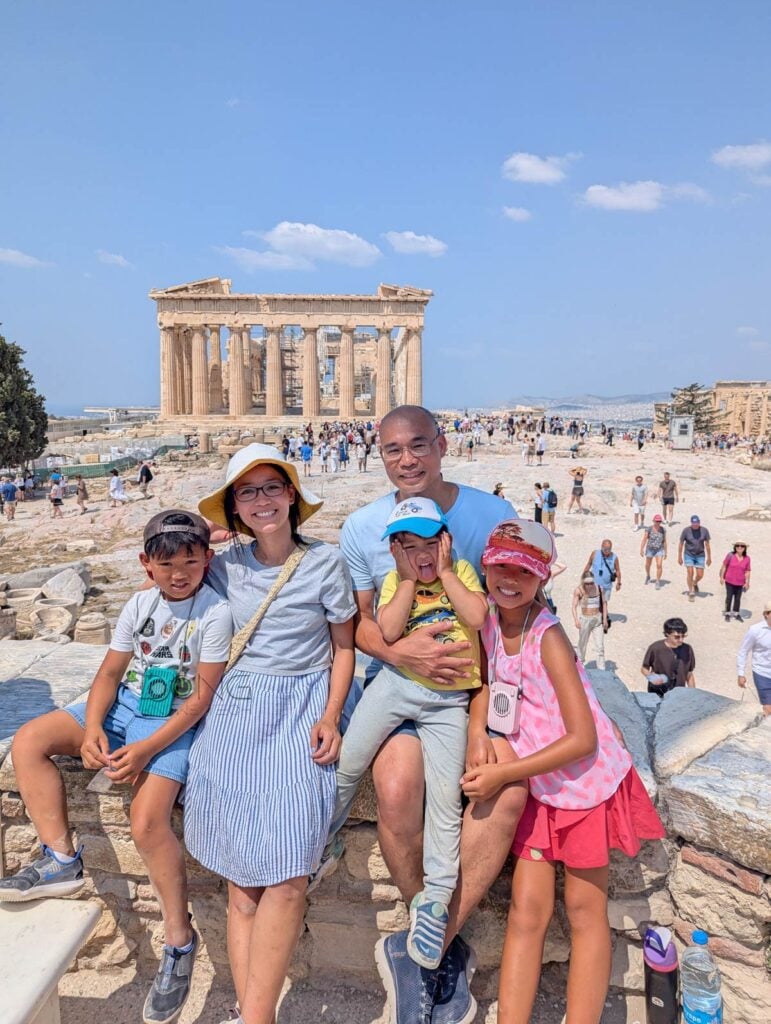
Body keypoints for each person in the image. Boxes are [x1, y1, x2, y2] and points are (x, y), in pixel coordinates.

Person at [0, 511, 232, 1023]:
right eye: (167, 563)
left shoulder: (214, 611)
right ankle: (60, 857)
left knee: (148, 822)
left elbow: (201, 699)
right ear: (145, 564)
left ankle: (178, 941)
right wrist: (91, 729)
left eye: (191, 561)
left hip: (172, 717)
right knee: (30, 740)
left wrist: (147, 750)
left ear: (206, 560)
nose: (180, 573)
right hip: (129, 703)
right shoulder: (138, 603)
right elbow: (109, 672)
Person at [338, 405, 524, 1024]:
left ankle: (431, 946)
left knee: (498, 793)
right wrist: (402, 650)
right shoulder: (364, 527)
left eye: (419, 445)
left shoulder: (493, 516)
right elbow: (360, 628)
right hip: (397, 680)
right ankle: (427, 941)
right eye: (394, 450)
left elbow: (511, 621)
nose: (407, 459)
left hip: (473, 691)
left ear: (442, 444)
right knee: (394, 788)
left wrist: (480, 717)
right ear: (380, 455)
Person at [463, 519, 664, 1024]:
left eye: (523, 572)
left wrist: (506, 775)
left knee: (583, 911)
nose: (510, 579)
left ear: (542, 579)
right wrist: (476, 733)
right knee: (527, 913)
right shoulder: (488, 618)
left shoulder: (548, 635)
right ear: (486, 567)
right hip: (538, 784)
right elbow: (485, 684)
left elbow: (582, 739)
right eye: (500, 567)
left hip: (581, 787)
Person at [186, 444, 356, 1024]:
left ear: (292, 496)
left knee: (286, 875)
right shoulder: (225, 567)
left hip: (300, 709)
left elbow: (343, 647)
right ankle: (251, 1012)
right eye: (247, 492)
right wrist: (207, 531)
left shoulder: (326, 563)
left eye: (271, 487)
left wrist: (332, 714)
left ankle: (255, 1018)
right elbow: (170, 567)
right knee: (240, 884)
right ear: (234, 507)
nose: (262, 500)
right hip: (236, 715)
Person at [330, 498, 488, 968]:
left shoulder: (459, 571)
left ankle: (435, 900)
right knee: (349, 761)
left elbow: (477, 617)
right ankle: (320, 838)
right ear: (395, 551)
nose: (421, 556)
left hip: (449, 701)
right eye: (408, 547)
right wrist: (402, 579)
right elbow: (391, 631)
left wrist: (444, 574)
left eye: (429, 545)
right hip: (398, 687)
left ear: (445, 542)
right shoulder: (397, 581)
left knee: (444, 799)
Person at [641, 618, 696, 696]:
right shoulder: (655, 648)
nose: (681, 640)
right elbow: (644, 668)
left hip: (678, 695)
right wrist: (651, 677)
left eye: (683, 636)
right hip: (657, 693)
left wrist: (693, 694)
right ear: (667, 634)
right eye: (677, 637)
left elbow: (689, 674)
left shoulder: (688, 649)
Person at [736, 602, 771, 714]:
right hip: (762, 673)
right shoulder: (755, 630)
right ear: (766, 614)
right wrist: (741, 673)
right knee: (768, 708)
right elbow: (743, 651)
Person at [572, 570, 607, 670]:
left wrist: (604, 619)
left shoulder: (599, 589)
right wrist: (576, 620)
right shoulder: (579, 590)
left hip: (597, 620)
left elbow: (604, 603)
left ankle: (602, 669)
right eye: (587, 584)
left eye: (591, 583)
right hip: (585, 620)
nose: (589, 586)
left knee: (600, 646)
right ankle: (580, 666)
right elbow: (574, 606)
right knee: (582, 644)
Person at [678, 515, 712, 602]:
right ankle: (691, 591)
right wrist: (679, 557)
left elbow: (707, 544)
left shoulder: (704, 531)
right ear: (691, 523)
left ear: (699, 522)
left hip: (700, 554)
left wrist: (709, 557)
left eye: (697, 523)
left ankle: (695, 582)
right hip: (688, 554)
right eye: (693, 523)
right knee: (690, 572)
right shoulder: (686, 531)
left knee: (700, 574)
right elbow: (681, 543)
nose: (695, 525)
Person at [719, 542, 751, 621]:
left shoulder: (747, 558)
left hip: (740, 583)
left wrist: (747, 582)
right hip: (729, 581)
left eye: (742, 546)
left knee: (737, 599)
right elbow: (724, 566)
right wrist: (721, 577)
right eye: (738, 546)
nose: (740, 547)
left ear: (745, 548)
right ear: (735, 547)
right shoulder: (730, 555)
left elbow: (747, 571)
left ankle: (736, 614)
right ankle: (727, 613)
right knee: (729, 597)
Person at [583, 539, 621, 605]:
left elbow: (618, 570)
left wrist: (619, 583)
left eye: (609, 549)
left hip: (606, 586)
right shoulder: (594, 553)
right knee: (593, 602)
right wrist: (584, 576)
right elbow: (589, 564)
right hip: (593, 585)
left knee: (604, 603)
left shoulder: (614, 558)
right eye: (605, 549)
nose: (607, 551)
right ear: (601, 547)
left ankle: (604, 615)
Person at [641, 514, 668, 588]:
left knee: (659, 565)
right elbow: (644, 539)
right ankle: (648, 575)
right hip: (650, 549)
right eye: (657, 521)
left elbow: (664, 541)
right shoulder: (649, 529)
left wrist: (666, 552)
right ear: (653, 521)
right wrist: (641, 549)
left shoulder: (663, 530)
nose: (658, 522)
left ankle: (658, 581)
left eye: (659, 521)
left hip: (659, 549)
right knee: (648, 564)